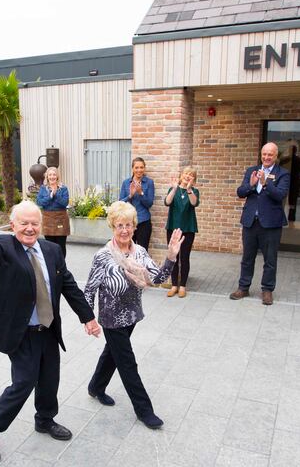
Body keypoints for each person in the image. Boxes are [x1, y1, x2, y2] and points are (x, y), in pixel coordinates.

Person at [0, 199, 101, 464]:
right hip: (21, 332)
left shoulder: (52, 251)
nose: (29, 228)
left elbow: (68, 285)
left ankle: (45, 419)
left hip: (48, 329)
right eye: (24, 223)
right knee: (24, 382)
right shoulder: (4, 246)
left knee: (49, 378)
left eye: (34, 223)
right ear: (13, 225)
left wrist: (88, 317)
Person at [84, 201, 183, 429]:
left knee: (112, 353)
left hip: (131, 315)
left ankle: (96, 386)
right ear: (112, 226)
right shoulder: (103, 256)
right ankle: (144, 411)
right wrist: (88, 319)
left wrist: (170, 257)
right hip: (111, 318)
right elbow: (89, 289)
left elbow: (157, 278)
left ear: (134, 226)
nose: (124, 230)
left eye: (128, 225)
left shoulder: (139, 252)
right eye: (119, 225)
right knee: (127, 363)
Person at [231, 143, 290, 306]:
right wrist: (251, 185)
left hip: (271, 224)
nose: (266, 157)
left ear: (276, 156)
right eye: (264, 154)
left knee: (270, 259)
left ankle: (267, 290)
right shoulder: (252, 170)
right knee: (247, 258)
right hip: (251, 221)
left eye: (270, 154)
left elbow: (280, 195)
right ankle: (243, 287)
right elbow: (240, 192)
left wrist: (265, 183)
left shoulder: (282, 174)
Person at [164, 166, 200, 298]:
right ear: (181, 175)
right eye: (186, 173)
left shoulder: (194, 191)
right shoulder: (173, 189)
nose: (187, 176)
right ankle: (174, 285)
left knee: (185, 258)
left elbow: (194, 203)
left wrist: (189, 189)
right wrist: (174, 188)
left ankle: (183, 286)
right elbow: (167, 202)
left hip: (188, 228)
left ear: (194, 179)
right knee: (173, 257)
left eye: (191, 175)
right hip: (173, 228)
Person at [119, 157, 155, 249]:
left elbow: (149, 204)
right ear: (132, 168)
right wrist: (130, 195)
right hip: (128, 223)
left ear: (144, 168)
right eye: (136, 167)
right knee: (127, 249)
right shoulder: (126, 183)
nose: (139, 170)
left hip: (143, 221)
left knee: (142, 251)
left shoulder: (149, 182)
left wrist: (141, 193)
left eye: (141, 167)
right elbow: (120, 204)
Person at [36, 167, 70, 258]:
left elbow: (65, 203)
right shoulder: (43, 188)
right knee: (49, 246)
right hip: (47, 220)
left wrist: (56, 194)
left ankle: (61, 264)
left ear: (57, 176)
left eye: (54, 174)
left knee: (61, 246)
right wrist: (50, 196)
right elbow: (39, 202)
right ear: (47, 177)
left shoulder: (63, 188)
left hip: (61, 219)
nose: (52, 177)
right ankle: (52, 264)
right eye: (50, 175)